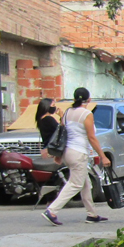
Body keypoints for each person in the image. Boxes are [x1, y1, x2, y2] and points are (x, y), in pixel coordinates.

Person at [41, 87, 110, 226]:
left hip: (68, 151)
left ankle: (92, 214)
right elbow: (91, 137)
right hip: (78, 152)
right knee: (75, 184)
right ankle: (52, 210)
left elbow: (63, 133)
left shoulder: (67, 112)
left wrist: (59, 154)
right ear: (89, 100)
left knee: (86, 184)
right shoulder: (86, 114)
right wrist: (103, 156)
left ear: (74, 99)